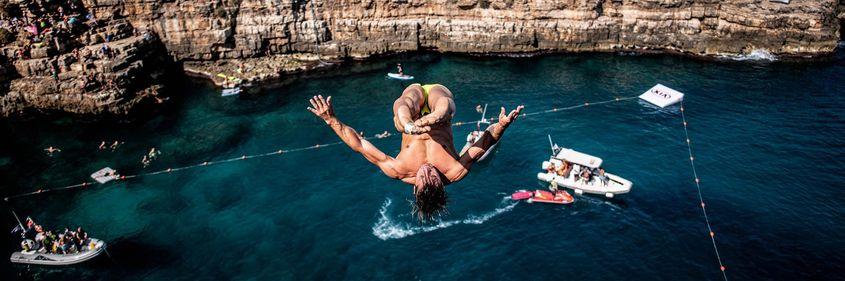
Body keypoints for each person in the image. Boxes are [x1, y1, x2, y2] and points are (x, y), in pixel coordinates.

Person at [307, 84, 523, 220]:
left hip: (412, 110)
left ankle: (409, 123)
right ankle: (421, 120)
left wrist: (330, 120)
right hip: (439, 103)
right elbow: (483, 143)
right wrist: (502, 125)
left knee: (402, 112)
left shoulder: (398, 170)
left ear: (415, 189)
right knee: (444, 107)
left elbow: (359, 145)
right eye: (434, 178)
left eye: (423, 178)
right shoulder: (454, 171)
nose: (428, 171)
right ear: (441, 185)